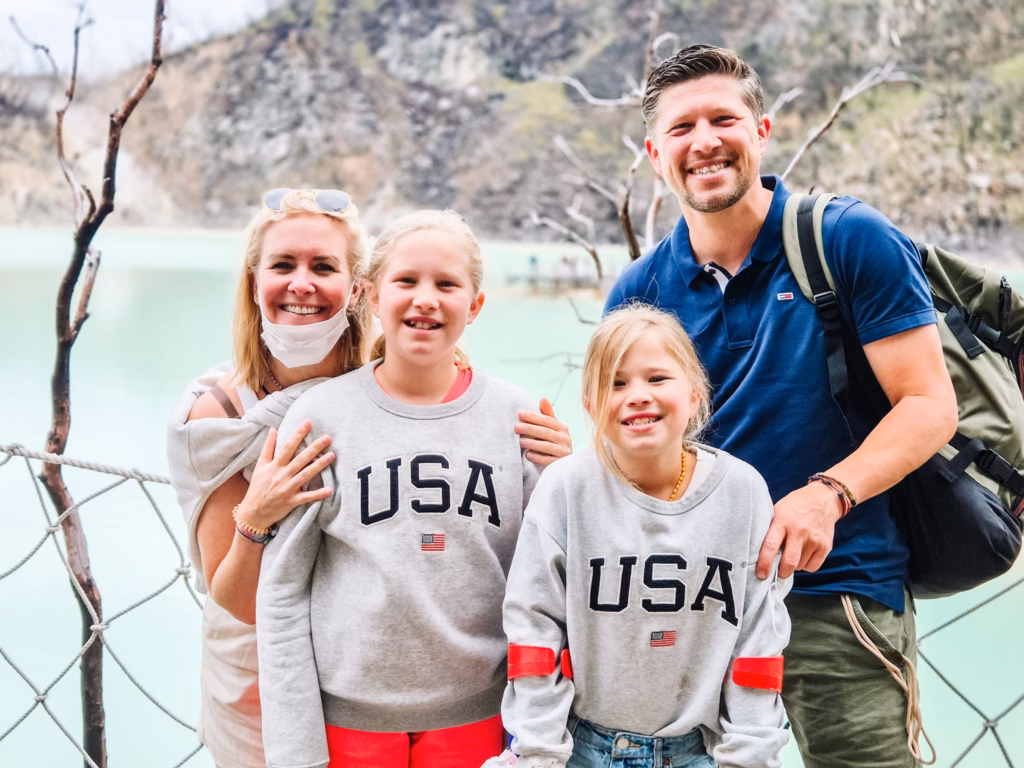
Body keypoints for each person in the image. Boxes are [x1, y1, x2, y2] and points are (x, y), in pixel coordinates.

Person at [604, 45, 957, 768]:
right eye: (681, 128)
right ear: (653, 151)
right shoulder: (638, 292)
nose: (704, 141)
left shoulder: (846, 240)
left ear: (761, 131)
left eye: (723, 118)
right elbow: (629, 456)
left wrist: (828, 495)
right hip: (688, 608)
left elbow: (928, 405)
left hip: (837, 592)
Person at [167, 194, 570, 768]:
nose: (302, 284)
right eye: (283, 266)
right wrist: (256, 516)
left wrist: (568, 476)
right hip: (282, 676)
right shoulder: (231, 414)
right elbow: (249, 599)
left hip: (466, 705)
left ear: (356, 291)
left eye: (324, 267)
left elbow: (545, 570)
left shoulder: (497, 413)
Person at [487, 304, 791, 768]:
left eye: (657, 378)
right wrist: (538, 752)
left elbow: (756, 639)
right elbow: (534, 629)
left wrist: (749, 755)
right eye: (616, 383)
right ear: (590, 406)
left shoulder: (743, 492)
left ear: (693, 395)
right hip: (579, 749)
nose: (637, 396)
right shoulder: (566, 489)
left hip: (701, 751)